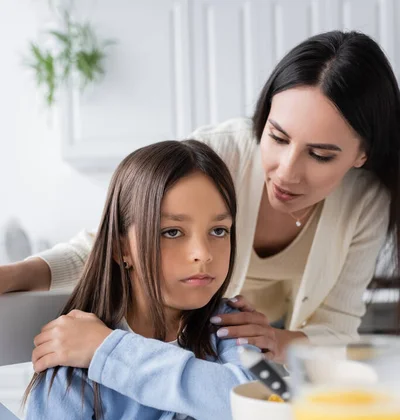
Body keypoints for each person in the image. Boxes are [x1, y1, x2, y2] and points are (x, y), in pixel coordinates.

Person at [1, 30, 398, 364]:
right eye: (277, 137)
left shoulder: (366, 202)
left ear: (362, 154)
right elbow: (112, 243)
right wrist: (18, 274)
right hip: (195, 341)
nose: (286, 170)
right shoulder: (216, 157)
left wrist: (275, 342)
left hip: (270, 348)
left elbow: (338, 329)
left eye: (321, 155)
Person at [7, 139, 258, 420]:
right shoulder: (73, 352)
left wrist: (110, 351)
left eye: (219, 230)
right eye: (172, 232)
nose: (203, 253)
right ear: (123, 247)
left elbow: (254, 409)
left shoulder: (230, 325)